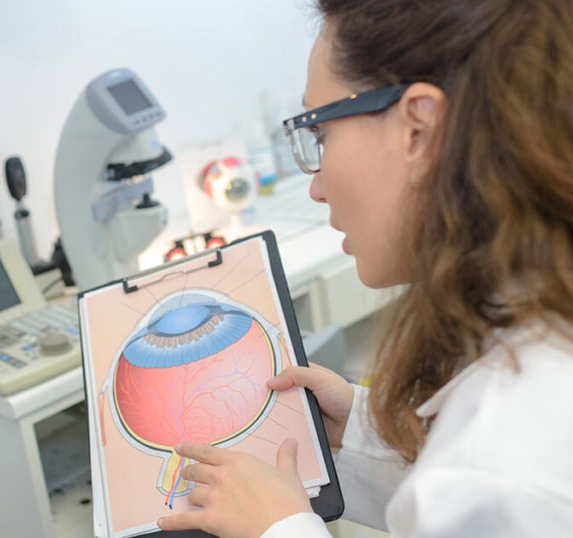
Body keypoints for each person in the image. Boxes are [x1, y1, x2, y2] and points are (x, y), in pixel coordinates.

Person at [157, 0, 573, 536]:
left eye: (320, 134)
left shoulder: (495, 468)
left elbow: (481, 487)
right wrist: (357, 429)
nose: (315, 184)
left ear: (419, 129)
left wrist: (279, 528)